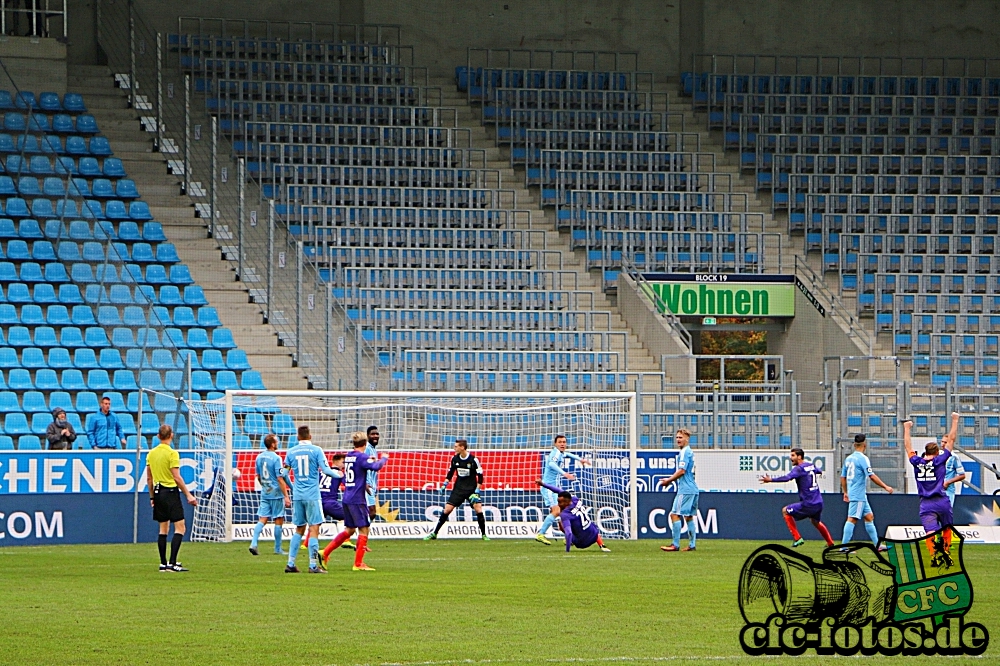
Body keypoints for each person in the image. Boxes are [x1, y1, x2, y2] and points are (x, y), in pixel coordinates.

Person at [320, 432, 388, 571]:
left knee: (350, 530)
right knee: (364, 529)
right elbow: (376, 467)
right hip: (357, 499)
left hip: (347, 497)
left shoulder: (350, 455)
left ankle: (324, 553)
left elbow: (357, 469)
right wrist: (383, 459)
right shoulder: (361, 457)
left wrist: (370, 461)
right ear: (365, 443)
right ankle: (358, 564)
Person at [903, 412, 959, 566]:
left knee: (930, 531)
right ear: (936, 453)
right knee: (947, 528)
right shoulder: (939, 461)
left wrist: (906, 428)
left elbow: (908, 446)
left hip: (926, 503)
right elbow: (951, 440)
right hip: (941, 500)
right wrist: (955, 420)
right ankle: (946, 554)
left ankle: (934, 556)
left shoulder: (916, 461)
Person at [283, 425, 342, 574]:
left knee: (299, 529)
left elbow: (284, 473)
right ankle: (313, 565)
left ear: (298, 437)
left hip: (298, 496)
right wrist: (341, 476)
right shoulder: (317, 450)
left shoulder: (291, 452)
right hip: (312, 496)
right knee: (314, 528)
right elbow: (327, 470)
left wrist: (293, 487)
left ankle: (290, 563)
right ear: (310, 437)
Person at [145, 424, 198, 572]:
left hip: (157, 492)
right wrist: (188, 495)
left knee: (163, 528)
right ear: (171, 435)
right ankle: (173, 563)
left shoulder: (151, 453)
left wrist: (151, 497)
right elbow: (177, 477)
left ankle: (163, 563)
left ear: (158, 436)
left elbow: (149, 478)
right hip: (170, 492)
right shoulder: (172, 454)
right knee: (180, 527)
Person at [760, 448, 835, 548]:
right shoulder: (810, 465)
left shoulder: (799, 469)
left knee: (785, 511)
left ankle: (797, 538)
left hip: (808, 503)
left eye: (793, 456)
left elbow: (787, 478)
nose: (791, 458)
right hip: (818, 502)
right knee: (815, 521)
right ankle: (830, 542)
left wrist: (771, 480)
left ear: (799, 457)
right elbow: (819, 471)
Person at [424, 439, 489, 541]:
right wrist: (444, 484)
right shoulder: (454, 459)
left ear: (462, 447)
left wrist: (477, 490)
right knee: (447, 510)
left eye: (456, 446)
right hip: (458, 489)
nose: (454, 448)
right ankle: (434, 533)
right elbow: (450, 473)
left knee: (478, 509)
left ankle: (484, 535)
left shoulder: (473, 460)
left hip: (471, 489)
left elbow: (480, 476)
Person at [840, 434, 894, 547]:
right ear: (865, 445)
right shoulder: (863, 459)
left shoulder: (848, 458)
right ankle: (843, 547)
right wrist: (885, 486)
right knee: (852, 519)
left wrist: (845, 492)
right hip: (858, 494)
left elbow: (843, 477)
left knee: (869, 516)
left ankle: (877, 545)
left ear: (854, 445)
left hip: (857, 494)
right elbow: (871, 476)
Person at [536, 434, 591, 545]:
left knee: (563, 513)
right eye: (560, 442)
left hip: (554, 488)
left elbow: (568, 454)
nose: (562, 444)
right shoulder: (555, 453)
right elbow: (551, 463)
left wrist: (581, 459)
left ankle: (568, 537)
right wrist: (565, 473)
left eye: (564, 442)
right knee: (557, 511)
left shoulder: (560, 453)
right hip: (549, 488)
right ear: (555, 444)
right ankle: (540, 534)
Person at [534, 480, 611, 553]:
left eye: (560, 502)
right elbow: (558, 490)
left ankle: (570, 541)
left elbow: (569, 533)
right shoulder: (575, 499)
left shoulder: (565, 514)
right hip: (594, 534)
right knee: (589, 524)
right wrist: (543, 484)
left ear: (567, 502)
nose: (558, 504)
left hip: (581, 543)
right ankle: (602, 545)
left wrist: (567, 550)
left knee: (561, 523)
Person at [249, 434, 291, 557]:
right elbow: (280, 478)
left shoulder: (259, 457)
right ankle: (278, 549)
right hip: (276, 494)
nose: (278, 443)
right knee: (278, 519)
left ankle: (253, 543)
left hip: (265, 492)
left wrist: (265, 486)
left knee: (262, 519)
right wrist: (286, 496)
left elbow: (258, 477)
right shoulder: (276, 458)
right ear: (272, 444)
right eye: (276, 441)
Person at [658, 428, 700, 552]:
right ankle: (692, 545)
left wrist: (668, 481)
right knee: (688, 516)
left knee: (674, 514)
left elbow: (682, 471)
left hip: (685, 490)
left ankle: (675, 544)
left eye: (680, 437)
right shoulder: (689, 452)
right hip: (693, 489)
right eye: (677, 437)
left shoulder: (685, 452)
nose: (678, 440)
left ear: (687, 439)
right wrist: (670, 479)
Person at [319, 453, 356, 561]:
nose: (344, 465)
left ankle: (305, 544)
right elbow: (348, 484)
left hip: (319, 501)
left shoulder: (322, 472)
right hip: (330, 503)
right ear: (336, 462)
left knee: (315, 526)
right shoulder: (340, 473)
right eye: (343, 462)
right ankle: (346, 540)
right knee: (350, 518)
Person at [364, 426, 381, 519]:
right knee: (372, 512)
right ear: (367, 436)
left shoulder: (373, 449)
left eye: (377, 434)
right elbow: (361, 465)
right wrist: (364, 483)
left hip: (372, 486)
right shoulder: (367, 449)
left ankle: (361, 531)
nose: (375, 436)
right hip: (367, 486)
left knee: (368, 513)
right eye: (372, 434)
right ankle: (362, 532)